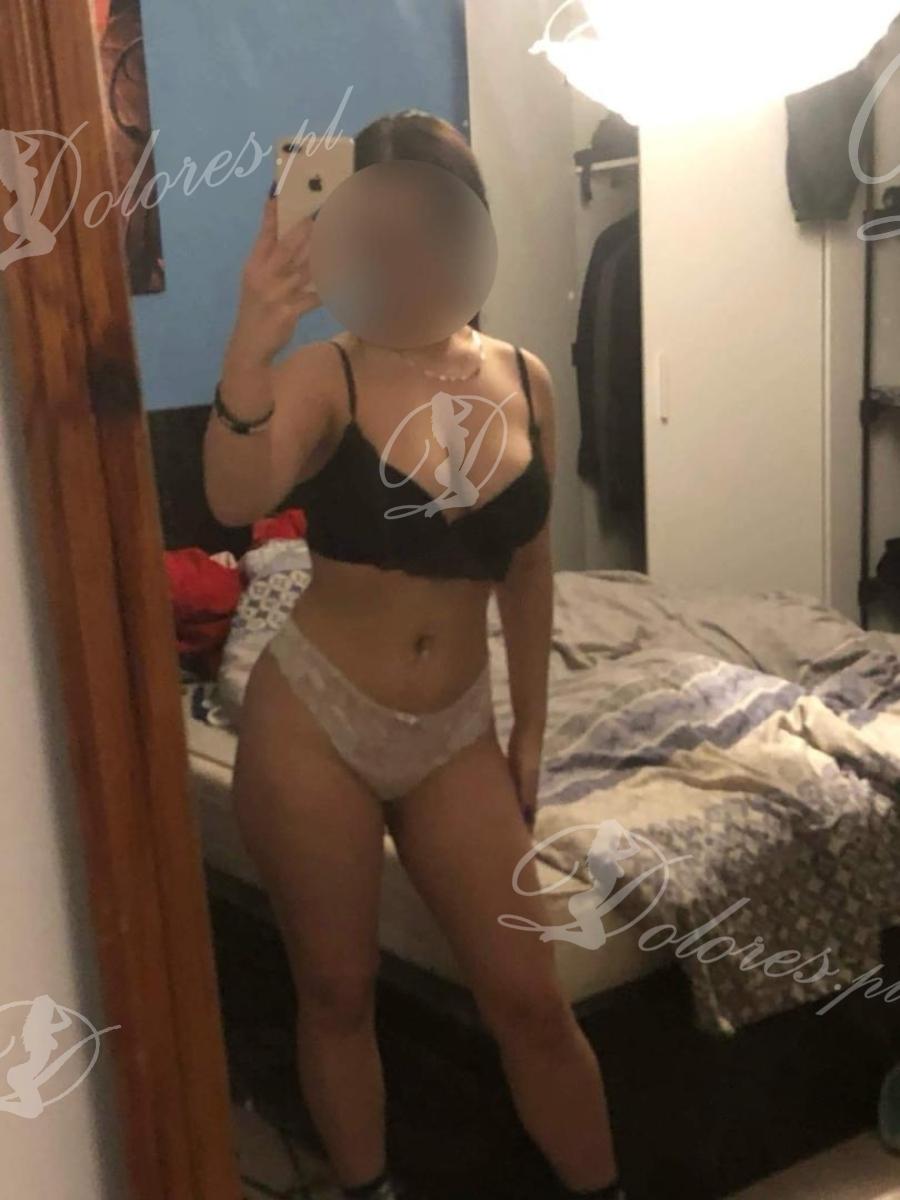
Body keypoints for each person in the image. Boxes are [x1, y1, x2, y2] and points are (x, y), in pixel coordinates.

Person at [204, 110, 626, 1200]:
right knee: (337, 994)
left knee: (530, 999)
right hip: (315, 722)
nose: (407, 256)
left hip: (456, 734)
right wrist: (253, 336)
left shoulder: (527, 377)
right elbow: (234, 497)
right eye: (376, 234)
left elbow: (530, 569)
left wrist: (529, 731)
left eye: (431, 227)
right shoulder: (325, 374)